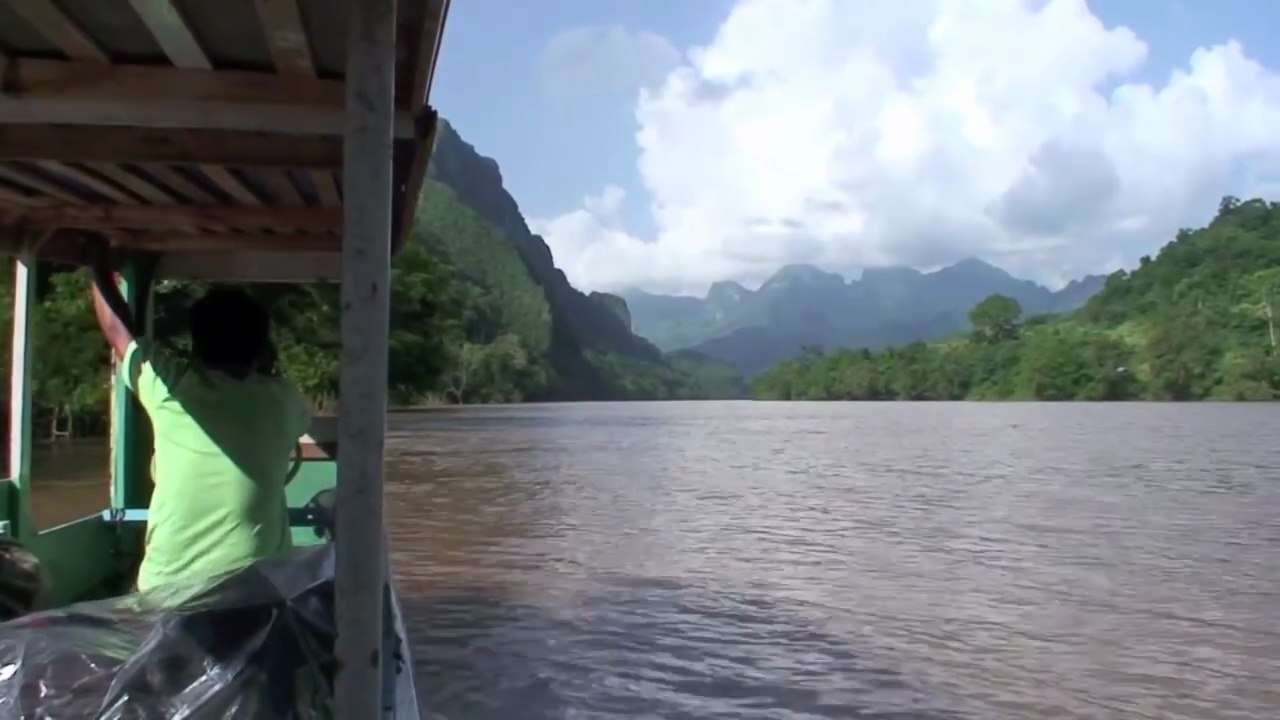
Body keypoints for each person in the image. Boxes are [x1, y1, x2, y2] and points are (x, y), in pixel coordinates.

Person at [88, 249, 312, 591]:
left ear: (196, 344)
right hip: (257, 587)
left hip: (168, 587)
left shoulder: (173, 386)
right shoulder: (283, 399)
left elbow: (117, 331)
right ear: (261, 346)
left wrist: (97, 263)